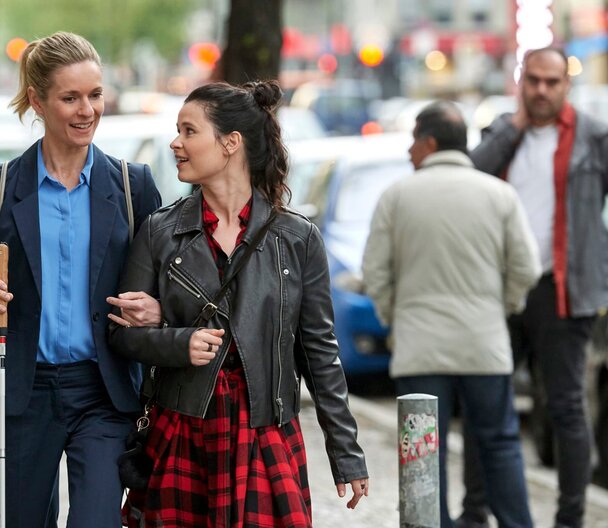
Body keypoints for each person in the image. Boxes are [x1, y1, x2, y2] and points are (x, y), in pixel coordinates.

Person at [108, 80, 369, 528]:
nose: (176, 143)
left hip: (266, 433)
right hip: (183, 430)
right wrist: (179, 343)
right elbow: (121, 333)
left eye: (189, 131)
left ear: (230, 143)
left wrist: (345, 452)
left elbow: (319, 352)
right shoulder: (159, 232)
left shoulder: (297, 238)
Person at [0, 32, 162, 527]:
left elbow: (160, 289)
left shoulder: (133, 185)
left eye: (95, 95)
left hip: (104, 391)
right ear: (37, 101)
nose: (87, 110)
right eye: (70, 98)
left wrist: (155, 310)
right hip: (22, 393)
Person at [362, 101, 540, 528]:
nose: (409, 151)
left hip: (419, 348)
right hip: (484, 344)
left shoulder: (397, 197)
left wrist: (394, 318)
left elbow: (375, 272)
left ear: (429, 143)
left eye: (413, 141)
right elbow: (526, 268)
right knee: (499, 445)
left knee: (422, 450)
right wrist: (501, 307)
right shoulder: (499, 195)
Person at [459, 46, 608, 528]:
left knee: (566, 406)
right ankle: (475, 512)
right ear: (521, 81)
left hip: (563, 290)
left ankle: (570, 519)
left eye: (552, 82)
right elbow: (468, 174)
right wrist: (516, 126)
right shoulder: (502, 131)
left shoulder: (594, 137)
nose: (542, 90)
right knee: (486, 400)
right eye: (534, 80)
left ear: (567, 85)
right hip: (499, 290)